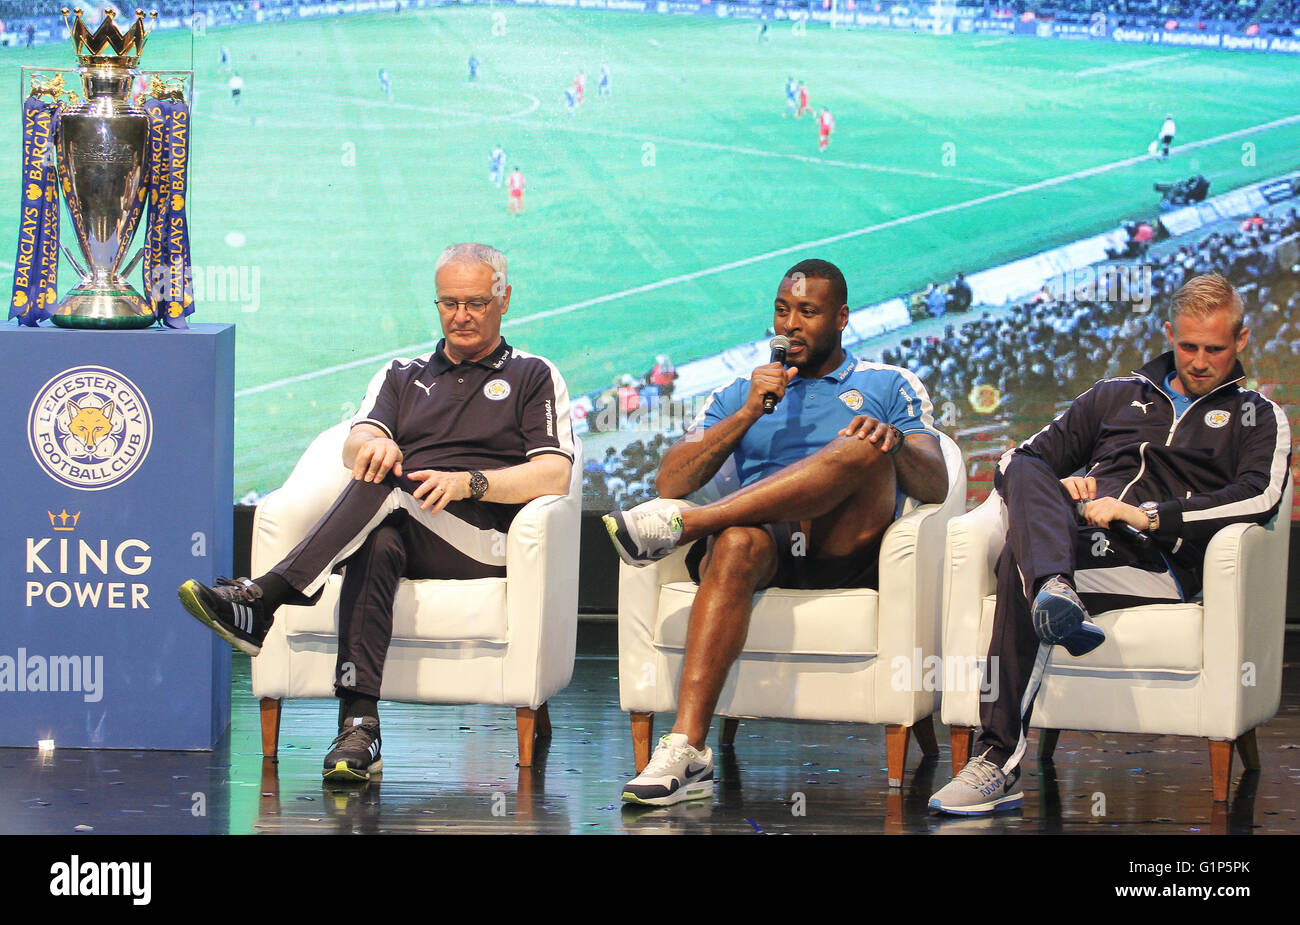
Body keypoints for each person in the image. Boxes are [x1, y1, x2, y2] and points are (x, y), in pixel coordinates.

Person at [178, 244, 575, 783]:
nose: (461, 315)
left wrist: (470, 482)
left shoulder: (533, 375)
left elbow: (554, 473)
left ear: (504, 299)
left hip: (486, 540)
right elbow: (357, 437)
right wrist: (371, 446)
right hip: (408, 523)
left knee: (386, 487)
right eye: (449, 302)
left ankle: (263, 599)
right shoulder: (402, 374)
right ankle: (359, 727)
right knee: (377, 534)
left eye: (476, 302)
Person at [928, 273, 1291, 815]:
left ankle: (998, 759)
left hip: (1157, 558)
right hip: (1077, 539)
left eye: (1214, 349)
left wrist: (1146, 516)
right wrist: (1060, 492)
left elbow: (1258, 498)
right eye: (1187, 345)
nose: (1198, 360)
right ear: (1169, 332)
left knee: (1013, 565)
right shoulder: (1114, 395)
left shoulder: (1257, 416)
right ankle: (1054, 585)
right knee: (1026, 468)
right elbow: (1017, 461)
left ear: (1240, 342)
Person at [604, 259, 950, 805]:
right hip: (762, 541)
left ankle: (690, 526)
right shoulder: (740, 390)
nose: (790, 325)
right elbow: (671, 478)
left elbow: (937, 484)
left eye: (807, 312)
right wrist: (746, 414)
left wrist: (893, 442)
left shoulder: (887, 383)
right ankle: (687, 748)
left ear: (841, 318)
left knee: (860, 445)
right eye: (782, 310)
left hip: (844, 546)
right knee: (737, 542)